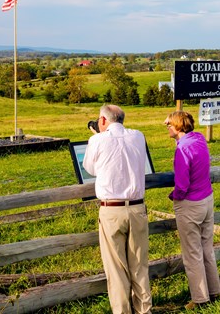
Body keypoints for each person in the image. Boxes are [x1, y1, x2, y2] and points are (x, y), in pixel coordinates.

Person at [83, 104, 152, 314]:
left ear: (103, 120)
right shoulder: (138, 136)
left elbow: (90, 168)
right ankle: (144, 310)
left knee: (116, 267)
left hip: (111, 209)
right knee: (139, 264)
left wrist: (97, 136)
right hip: (137, 207)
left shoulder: (97, 140)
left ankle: (122, 311)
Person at [164, 111, 220, 310]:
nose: (167, 127)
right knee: (207, 248)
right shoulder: (199, 140)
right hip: (207, 199)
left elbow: (182, 183)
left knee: (192, 254)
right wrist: (174, 122)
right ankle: (214, 291)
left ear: (178, 127)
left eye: (169, 125)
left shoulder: (182, 150)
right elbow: (183, 141)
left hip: (190, 204)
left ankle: (199, 298)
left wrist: (174, 196)